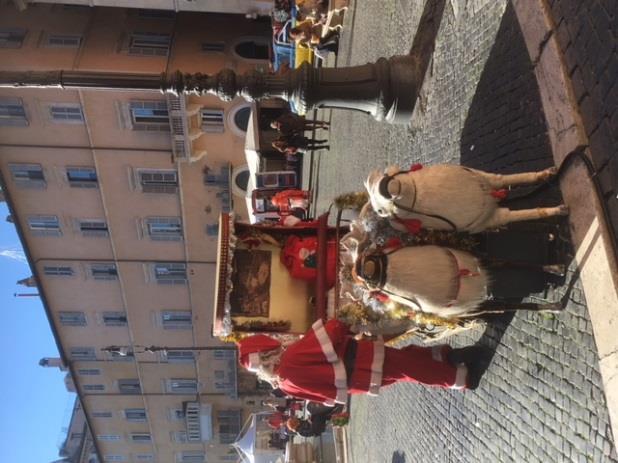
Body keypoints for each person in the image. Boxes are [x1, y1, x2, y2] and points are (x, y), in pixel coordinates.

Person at [236, 320, 481, 406]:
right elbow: (327, 335)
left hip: (360, 378)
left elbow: (325, 396)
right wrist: (341, 323)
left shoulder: (284, 382)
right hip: (363, 360)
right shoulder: (289, 361)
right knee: (409, 365)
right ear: (267, 352)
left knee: (408, 360)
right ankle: (459, 378)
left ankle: (446, 359)